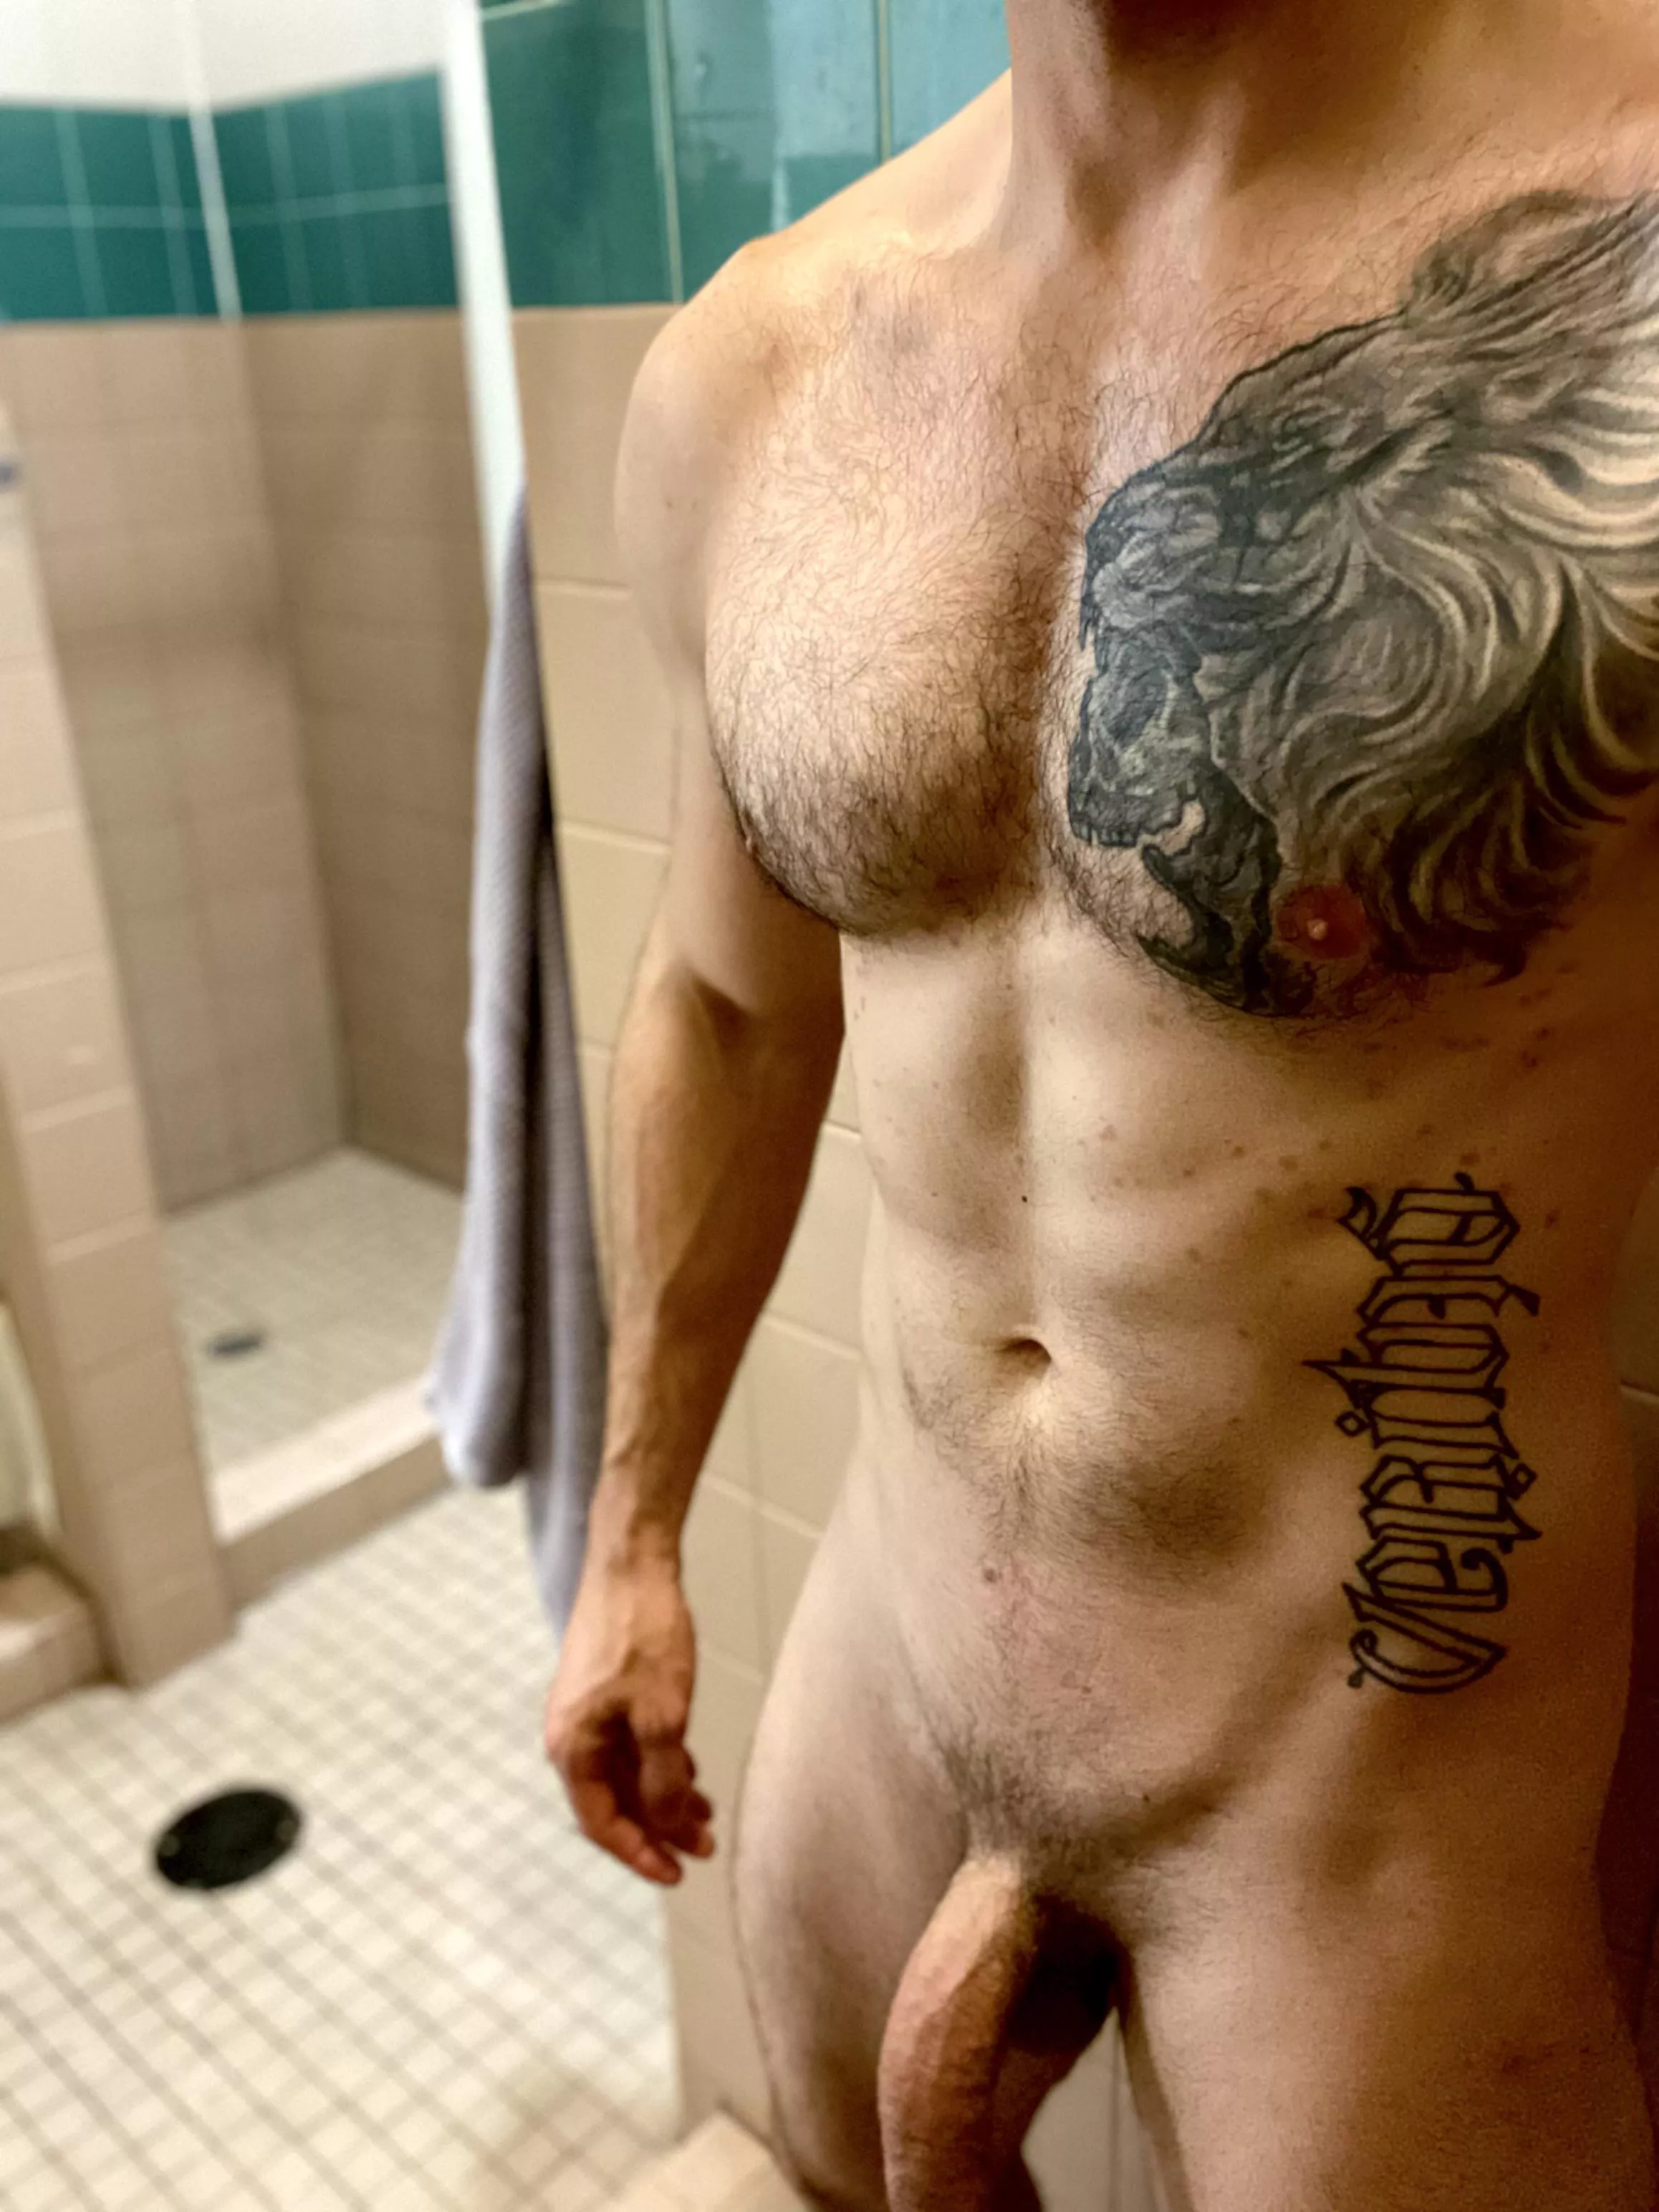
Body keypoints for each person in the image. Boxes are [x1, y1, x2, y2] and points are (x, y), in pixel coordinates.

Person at [542, 1, 1659, 2203]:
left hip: (1363, 1774)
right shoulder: (755, 361)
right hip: (892, 1656)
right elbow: (729, 1005)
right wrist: (634, 1536)